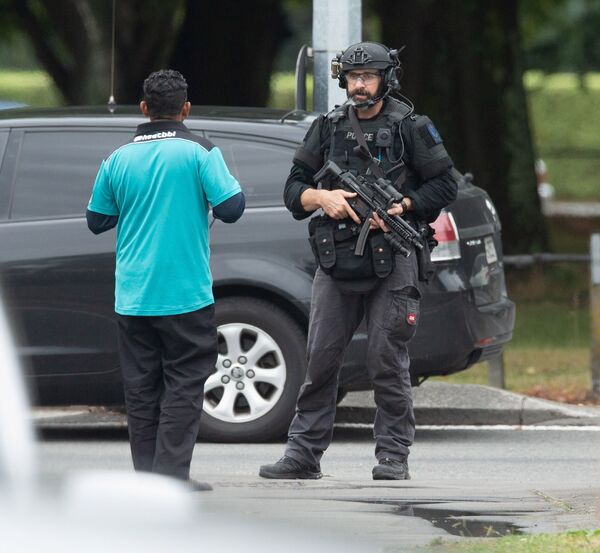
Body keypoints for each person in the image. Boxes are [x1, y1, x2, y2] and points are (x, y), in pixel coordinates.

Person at [259, 42, 457, 480]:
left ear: (387, 79)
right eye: (352, 77)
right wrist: (321, 196)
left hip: (395, 257)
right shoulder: (328, 126)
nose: (360, 85)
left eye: (368, 76)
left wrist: (404, 206)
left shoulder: (411, 127)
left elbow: (445, 187)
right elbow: (294, 190)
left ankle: (392, 456)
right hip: (337, 259)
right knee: (320, 360)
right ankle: (303, 455)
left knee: (386, 360)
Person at [87, 69, 244, 487]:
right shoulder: (199, 151)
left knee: (140, 391)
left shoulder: (117, 157)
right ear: (186, 109)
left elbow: (96, 220)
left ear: (143, 108)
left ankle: (147, 483)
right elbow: (231, 208)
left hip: (133, 296)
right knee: (184, 385)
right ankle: (171, 479)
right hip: (185, 295)